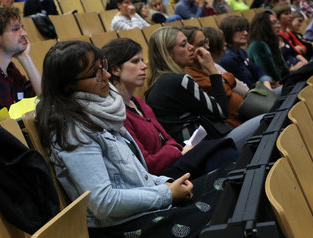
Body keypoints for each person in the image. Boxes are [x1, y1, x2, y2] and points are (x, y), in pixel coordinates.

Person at [36, 40, 230, 238]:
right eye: (95, 72)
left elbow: (136, 174)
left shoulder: (96, 110)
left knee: (231, 177)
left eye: (103, 66)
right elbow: (103, 204)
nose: (106, 75)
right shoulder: (73, 130)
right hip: (125, 236)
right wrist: (167, 194)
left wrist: (166, 184)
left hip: (143, 212)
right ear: (69, 85)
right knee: (222, 211)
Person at [103, 37, 238, 177]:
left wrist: (173, 149)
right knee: (222, 153)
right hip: (162, 177)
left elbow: (168, 139)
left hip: (177, 160)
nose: (144, 66)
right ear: (115, 70)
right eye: (135, 61)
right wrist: (174, 151)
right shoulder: (118, 113)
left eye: (142, 60)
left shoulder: (139, 103)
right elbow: (147, 163)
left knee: (223, 152)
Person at [146, 26, 263, 151]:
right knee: (265, 120)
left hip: (196, 147)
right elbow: (221, 112)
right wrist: (212, 70)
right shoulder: (179, 80)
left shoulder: (155, 86)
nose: (191, 47)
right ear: (167, 53)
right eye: (184, 44)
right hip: (206, 148)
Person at [182, 26, 243, 127]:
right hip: (232, 125)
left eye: (206, 42)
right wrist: (218, 76)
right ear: (190, 48)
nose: (207, 47)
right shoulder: (191, 74)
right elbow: (223, 90)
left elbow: (232, 78)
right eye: (201, 44)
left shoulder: (203, 66)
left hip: (242, 115)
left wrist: (223, 79)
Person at [218, 15, 273, 89]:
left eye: (246, 29)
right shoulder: (227, 59)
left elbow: (257, 70)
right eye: (240, 29)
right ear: (228, 32)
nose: (246, 33)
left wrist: (266, 82)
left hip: (261, 90)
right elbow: (247, 86)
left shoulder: (241, 51)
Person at [247, 10, 293, 83]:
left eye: (277, 22)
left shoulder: (271, 42)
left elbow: (284, 70)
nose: (278, 26)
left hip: (283, 83)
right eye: (273, 23)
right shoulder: (258, 45)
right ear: (264, 26)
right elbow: (270, 75)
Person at [273, 6, 308, 70]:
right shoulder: (280, 35)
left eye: (290, 13)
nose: (291, 16)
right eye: (286, 14)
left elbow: (303, 48)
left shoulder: (289, 33)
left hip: (300, 62)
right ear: (278, 18)